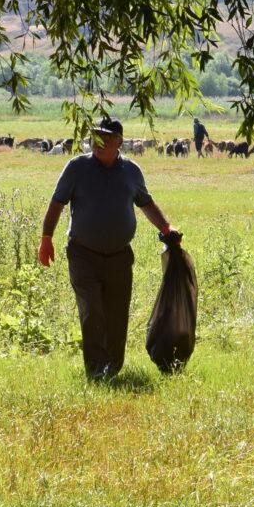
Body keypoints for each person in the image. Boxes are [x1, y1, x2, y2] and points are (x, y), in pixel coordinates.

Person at [37, 117, 178, 378]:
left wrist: (166, 228)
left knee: (116, 314)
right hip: (83, 254)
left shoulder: (131, 171)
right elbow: (57, 203)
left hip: (119, 257)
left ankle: (112, 366)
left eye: (105, 137)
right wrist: (46, 238)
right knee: (91, 310)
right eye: (95, 136)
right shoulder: (77, 168)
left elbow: (146, 203)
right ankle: (97, 369)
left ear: (119, 142)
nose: (98, 142)